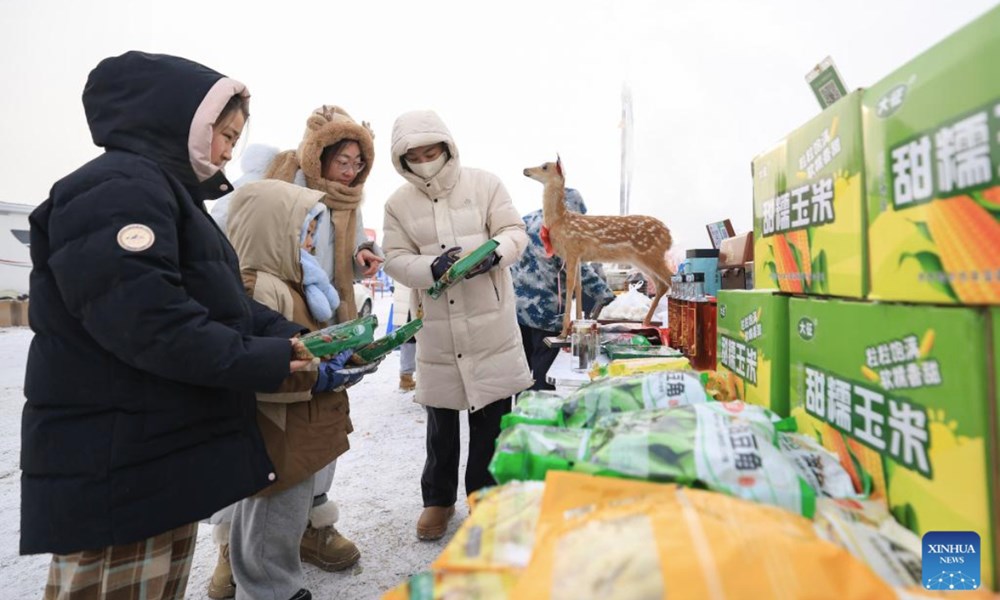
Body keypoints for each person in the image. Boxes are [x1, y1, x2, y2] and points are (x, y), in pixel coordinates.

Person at [21, 51, 313, 600]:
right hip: (120, 457)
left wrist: (290, 337)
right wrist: (267, 360)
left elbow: (221, 302)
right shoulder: (117, 189)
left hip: (154, 447)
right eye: (224, 134)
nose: (228, 151)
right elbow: (150, 323)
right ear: (183, 120)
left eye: (235, 138)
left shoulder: (162, 192)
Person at [206, 105, 378, 598]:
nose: (350, 172)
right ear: (318, 154)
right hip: (278, 328)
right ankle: (235, 551)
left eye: (358, 164)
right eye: (342, 160)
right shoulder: (274, 189)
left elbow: (341, 258)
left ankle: (308, 529)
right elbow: (241, 235)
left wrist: (360, 261)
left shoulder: (347, 204)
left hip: (318, 322)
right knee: (264, 459)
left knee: (312, 443)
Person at [381, 110, 534, 541]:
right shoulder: (397, 203)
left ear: (447, 148)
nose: (425, 162)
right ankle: (438, 499)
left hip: (489, 321)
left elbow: (514, 231)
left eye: (431, 152)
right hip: (438, 326)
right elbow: (394, 257)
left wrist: (495, 252)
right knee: (441, 421)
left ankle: (484, 496)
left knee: (491, 418)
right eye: (414, 157)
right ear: (402, 160)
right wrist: (430, 266)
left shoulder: (485, 184)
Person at [511, 188, 616, 390]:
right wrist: (607, 296)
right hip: (546, 313)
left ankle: (523, 406)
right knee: (543, 370)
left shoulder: (527, 220)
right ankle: (539, 405)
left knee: (521, 369)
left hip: (517, 310)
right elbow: (577, 269)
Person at [392, 282, 417, 391]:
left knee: (409, 342)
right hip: (410, 302)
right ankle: (406, 379)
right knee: (411, 342)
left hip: (405, 302)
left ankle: (406, 378)